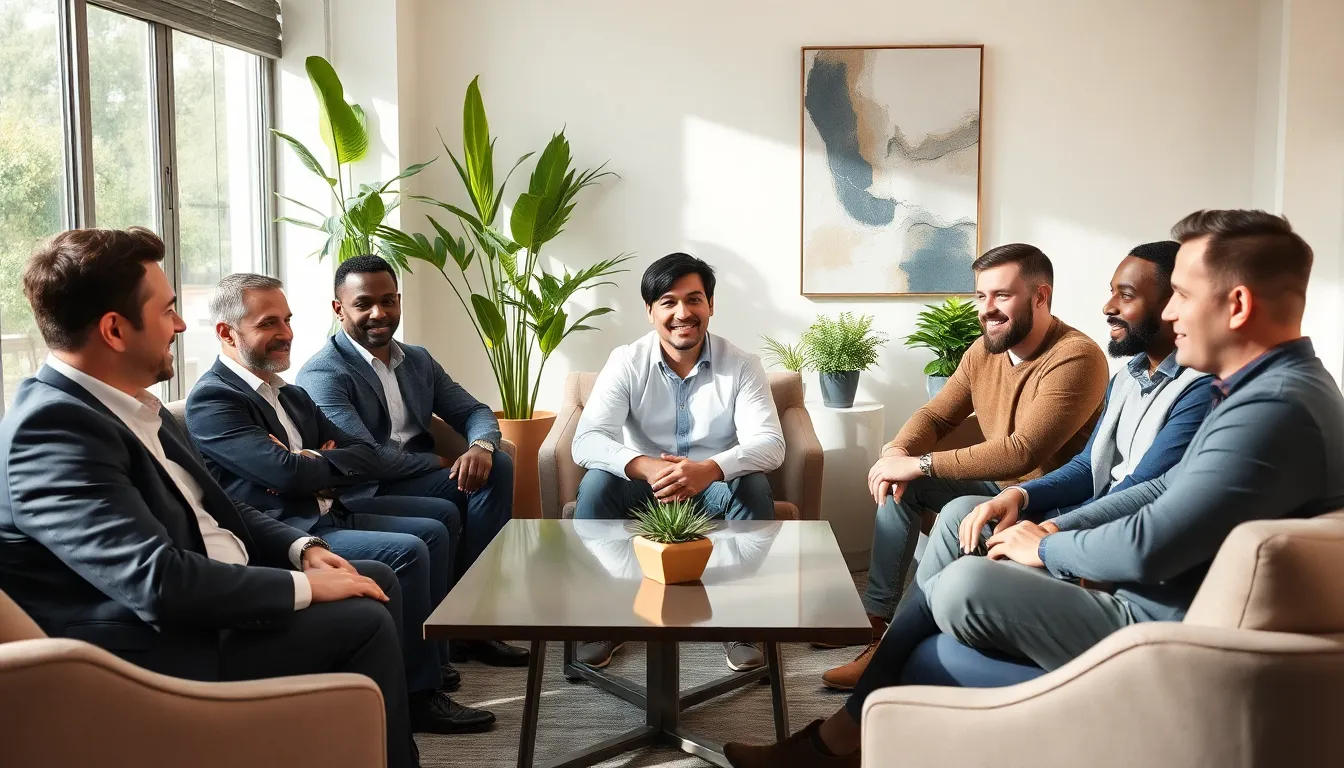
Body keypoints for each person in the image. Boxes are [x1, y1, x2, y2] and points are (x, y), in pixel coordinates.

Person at [724, 209, 1344, 767]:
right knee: (937, 621)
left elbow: (1147, 539)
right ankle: (847, 726)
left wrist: (1045, 544)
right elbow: (1149, 491)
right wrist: (1015, 504)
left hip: (1160, 627)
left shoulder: (1268, 409)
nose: (1172, 312)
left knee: (956, 587)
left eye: (1181, 294)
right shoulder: (1261, 394)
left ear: (1236, 305)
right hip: (1154, 600)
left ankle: (837, 736)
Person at [0, 228, 420, 768]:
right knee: (363, 620)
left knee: (373, 578)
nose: (179, 325)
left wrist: (302, 550)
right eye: (167, 310)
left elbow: (216, 505)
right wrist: (304, 587)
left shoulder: (130, 405)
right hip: (153, 650)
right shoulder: (52, 431)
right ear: (114, 330)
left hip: (210, 595)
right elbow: (157, 581)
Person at [185, 273, 494, 734]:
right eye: (269, 323)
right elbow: (285, 474)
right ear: (227, 333)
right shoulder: (215, 399)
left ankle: (431, 657)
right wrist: (309, 462)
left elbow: (361, 453)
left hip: (328, 510)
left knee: (436, 523)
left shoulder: (289, 393)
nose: (286, 333)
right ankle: (418, 694)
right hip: (285, 530)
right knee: (410, 549)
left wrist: (310, 460)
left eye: (287, 320)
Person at [823, 243, 1109, 691]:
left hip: (1049, 500)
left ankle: (894, 647)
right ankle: (875, 620)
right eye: (980, 295)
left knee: (947, 501)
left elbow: (1022, 451)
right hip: (1002, 486)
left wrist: (920, 463)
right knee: (899, 485)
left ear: (1040, 296)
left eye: (1002, 295)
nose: (986, 308)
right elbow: (937, 416)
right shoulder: (985, 351)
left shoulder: (1076, 357)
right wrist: (897, 452)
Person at [297, 254, 526, 668]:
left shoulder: (417, 359)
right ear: (339, 309)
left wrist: (481, 446)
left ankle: (476, 618)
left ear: (399, 301)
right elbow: (366, 458)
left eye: (388, 301)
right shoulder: (324, 373)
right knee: (444, 510)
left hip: (416, 477)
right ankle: (453, 630)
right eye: (363, 303)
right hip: (366, 490)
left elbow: (474, 410)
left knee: (497, 468)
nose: (378, 313)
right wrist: (439, 461)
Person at [569, 252, 786, 671]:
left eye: (694, 300)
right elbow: (587, 440)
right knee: (596, 482)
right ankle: (605, 618)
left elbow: (771, 444)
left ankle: (741, 621)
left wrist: (710, 470)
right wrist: (646, 466)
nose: (682, 313)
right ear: (650, 311)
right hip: (645, 487)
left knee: (753, 484)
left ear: (711, 305)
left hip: (712, 488)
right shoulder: (626, 361)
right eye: (668, 302)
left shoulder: (742, 365)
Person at [955, 241, 1213, 549]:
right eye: (1112, 292)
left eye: (1126, 295)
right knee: (963, 513)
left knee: (970, 558)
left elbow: (1143, 489)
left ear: (1174, 303)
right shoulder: (1126, 379)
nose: (1108, 307)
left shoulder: (1201, 389)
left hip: (1118, 539)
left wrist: (1049, 531)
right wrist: (1020, 496)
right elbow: (1089, 467)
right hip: (1085, 516)